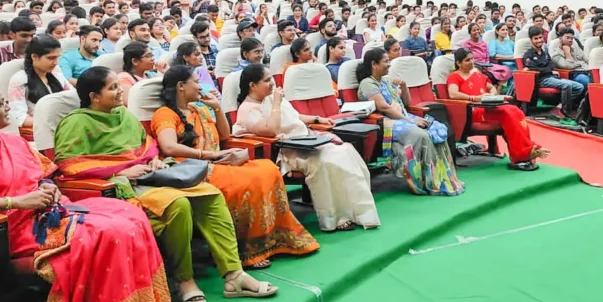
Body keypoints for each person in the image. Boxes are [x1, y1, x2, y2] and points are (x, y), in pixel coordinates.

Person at [0, 80, 172, 302]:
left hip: (50, 213)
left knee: (131, 218)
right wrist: (16, 201)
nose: (8, 107)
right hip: (13, 228)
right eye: (0, 104)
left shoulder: (10, 141)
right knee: (108, 234)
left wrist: (47, 187)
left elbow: (42, 176)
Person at [54, 68, 276, 302]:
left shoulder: (124, 115)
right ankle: (184, 280)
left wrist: (153, 160)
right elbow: (70, 165)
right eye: (113, 88)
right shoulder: (75, 123)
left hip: (151, 175)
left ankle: (234, 275)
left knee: (210, 194)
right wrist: (121, 171)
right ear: (93, 96)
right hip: (115, 184)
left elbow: (145, 147)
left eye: (119, 86)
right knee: (177, 205)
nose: (121, 92)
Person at [152, 66, 320, 268]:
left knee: (267, 169)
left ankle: (275, 239)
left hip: (216, 160)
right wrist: (208, 155)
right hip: (189, 168)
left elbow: (225, 136)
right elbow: (169, 147)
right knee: (244, 182)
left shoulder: (200, 108)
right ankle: (246, 249)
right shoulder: (164, 114)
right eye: (196, 81)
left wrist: (216, 108)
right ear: (181, 86)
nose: (201, 86)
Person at [232, 64, 380, 231]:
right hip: (286, 150)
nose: (272, 83)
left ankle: (355, 211)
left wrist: (317, 119)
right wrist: (275, 103)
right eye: (267, 80)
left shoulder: (271, 98)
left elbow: (295, 117)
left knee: (345, 151)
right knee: (327, 161)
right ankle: (335, 217)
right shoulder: (247, 109)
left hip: (306, 141)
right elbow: (271, 130)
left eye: (271, 79)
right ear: (252, 85)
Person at [356, 48, 464, 195]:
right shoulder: (368, 83)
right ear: (374, 64)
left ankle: (441, 177)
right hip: (385, 122)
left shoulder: (386, 81)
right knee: (421, 134)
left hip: (402, 116)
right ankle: (423, 181)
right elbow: (384, 108)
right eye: (386, 61)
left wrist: (404, 86)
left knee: (436, 128)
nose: (389, 64)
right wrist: (411, 122)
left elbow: (406, 103)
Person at [447, 49, 549, 171]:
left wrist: (492, 95)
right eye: (467, 60)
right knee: (506, 113)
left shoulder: (477, 75)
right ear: (458, 63)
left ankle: (525, 151)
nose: (472, 62)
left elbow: (491, 88)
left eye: (472, 58)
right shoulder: (454, 76)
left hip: (488, 107)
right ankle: (524, 153)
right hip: (472, 110)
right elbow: (453, 94)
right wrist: (475, 98)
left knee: (515, 111)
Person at [9, 36, 73, 128]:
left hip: (62, 125)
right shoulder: (20, 80)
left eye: (57, 58)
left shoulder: (57, 74)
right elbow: (19, 118)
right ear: (34, 57)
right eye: (51, 58)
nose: (56, 63)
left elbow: (73, 98)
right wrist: (54, 122)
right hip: (37, 130)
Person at [523, 26, 584, 119]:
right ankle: (565, 111)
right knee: (567, 85)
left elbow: (551, 65)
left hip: (551, 78)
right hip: (541, 80)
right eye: (536, 39)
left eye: (540, 37)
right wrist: (547, 70)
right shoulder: (528, 54)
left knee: (579, 87)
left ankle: (559, 107)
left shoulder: (544, 53)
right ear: (531, 40)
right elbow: (534, 69)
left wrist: (547, 69)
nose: (539, 40)